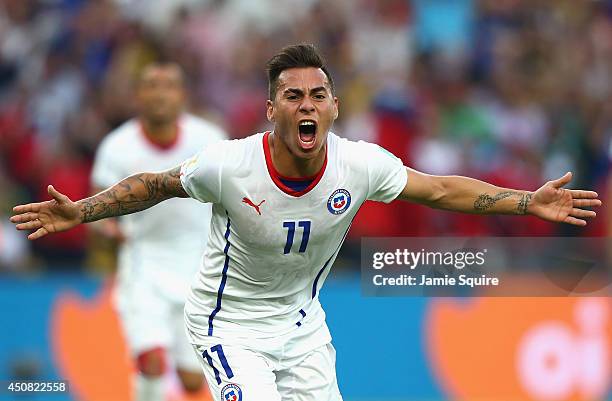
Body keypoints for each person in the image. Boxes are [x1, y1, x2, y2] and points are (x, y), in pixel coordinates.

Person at [11, 44, 601, 401]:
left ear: (334, 106)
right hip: (228, 324)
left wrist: (527, 201)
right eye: (292, 95)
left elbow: (441, 188)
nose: (307, 104)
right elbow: (155, 185)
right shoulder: (230, 164)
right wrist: (83, 211)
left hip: (302, 326)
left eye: (318, 94)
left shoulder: (359, 164)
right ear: (272, 110)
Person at [89, 62, 227, 401]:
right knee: (151, 361)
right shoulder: (117, 147)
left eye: (169, 85)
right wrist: (108, 230)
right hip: (143, 265)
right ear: (138, 96)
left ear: (183, 96)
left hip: (199, 267)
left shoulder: (210, 141)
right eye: (151, 85)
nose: (160, 93)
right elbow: (95, 209)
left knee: (193, 379)